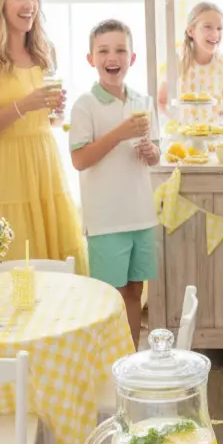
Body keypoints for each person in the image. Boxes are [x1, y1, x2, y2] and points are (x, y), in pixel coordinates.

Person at [0, 0, 84, 267]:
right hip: (6, 170)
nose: (30, 5)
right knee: (15, 263)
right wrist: (23, 106)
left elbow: (50, 120)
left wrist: (54, 109)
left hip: (44, 163)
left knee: (56, 264)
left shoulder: (45, 50)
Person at [69, 20, 159, 347]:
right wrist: (119, 133)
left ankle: (131, 359)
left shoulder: (143, 102)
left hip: (142, 215)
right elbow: (79, 160)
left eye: (121, 50)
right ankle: (110, 363)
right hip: (106, 221)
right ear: (91, 59)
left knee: (135, 291)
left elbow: (155, 155)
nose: (113, 56)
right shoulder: (84, 105)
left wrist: (151, 151)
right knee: (111, 298)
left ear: (132, 58)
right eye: (104, 50)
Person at [178, 2, 223, 116]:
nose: (215, 34)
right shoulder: (178, 62)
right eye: (207, 27)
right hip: (184, 132)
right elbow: (162, 103)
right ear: (191, 31)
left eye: (219, 28)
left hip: (215, 131)